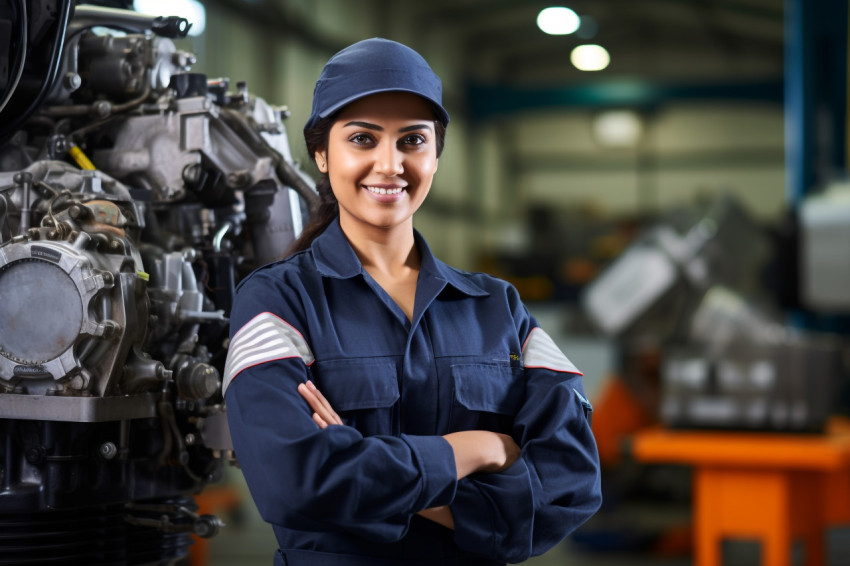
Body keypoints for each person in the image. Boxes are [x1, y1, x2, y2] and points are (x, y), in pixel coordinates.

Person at [223, 37, 601, 566]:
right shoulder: (279, 300)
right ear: (322, 155)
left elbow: (570, 486)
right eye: (362, 138)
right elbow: (294, 481)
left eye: (412, 140)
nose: (389, 163)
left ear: (436, 156)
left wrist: (360, 463)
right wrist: (476, 451)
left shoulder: (498, 308)